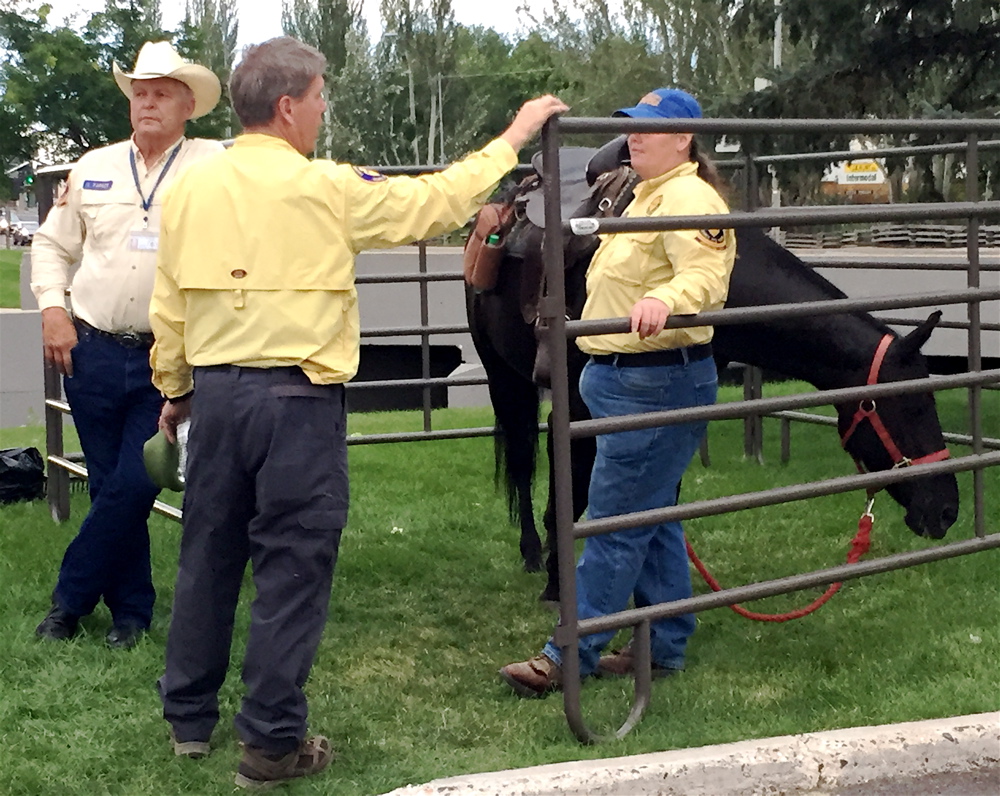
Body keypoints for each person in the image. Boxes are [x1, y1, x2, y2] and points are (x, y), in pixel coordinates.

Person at [148, 35, 568, 789]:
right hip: (297, 403)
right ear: (287, 107)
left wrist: (176, 390)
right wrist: (513, 136)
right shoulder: (327, 187)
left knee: (207, 552)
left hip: (215, 395)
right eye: (318, 100)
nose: (321, 111)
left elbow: (169, 303)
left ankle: (187, 717)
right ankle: (272, 743)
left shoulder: (187, 190)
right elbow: (435, 202)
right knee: (292, 566)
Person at [499, 87, 736, 697]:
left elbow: (706, 275)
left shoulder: (689, 199)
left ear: (684, 138)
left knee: (610, 521)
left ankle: (568, 655)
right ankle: (665, 643)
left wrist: (666, 299)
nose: (634, 135)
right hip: (626, 379)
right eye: (631, 126)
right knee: (650, 516)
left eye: (650, 128)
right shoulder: (644, 194)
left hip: (655, 380)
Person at [30, 41, 223, 650]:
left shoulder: (213, 166)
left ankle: (68, 602)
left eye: (161, 93)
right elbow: (51, 246)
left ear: (188, 104)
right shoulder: (93, 166)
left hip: (165, 358)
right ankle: (131, 614)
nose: (148, 103)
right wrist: (53, 310)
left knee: (133, 482)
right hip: (88, 349)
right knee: (114, 482)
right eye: (140, 92)